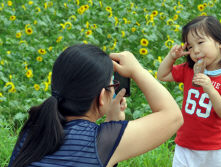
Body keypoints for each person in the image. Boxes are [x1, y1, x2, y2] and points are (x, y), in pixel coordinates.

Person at [9, 43, 183, 167]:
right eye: (112, 85)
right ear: (101, 96)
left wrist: (110, 126)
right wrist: (137, 70)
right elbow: (173, 116)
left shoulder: (33, 128)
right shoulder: (97, 142)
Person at [157, 15, 221, 167]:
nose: (195, 50)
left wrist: (210, 88)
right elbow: (162, 75)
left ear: (220, 41)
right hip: (185, 144)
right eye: (190, 47)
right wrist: (171, 57)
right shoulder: (189, 70)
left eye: (201, 42)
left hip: (214, 150)